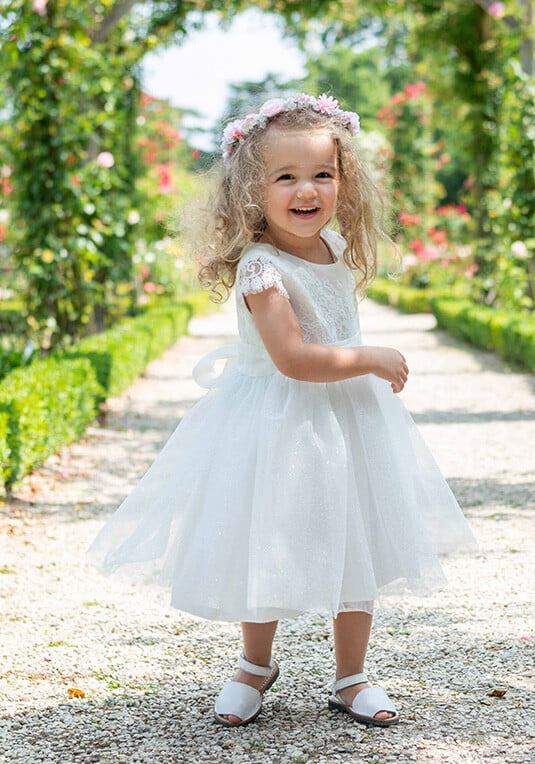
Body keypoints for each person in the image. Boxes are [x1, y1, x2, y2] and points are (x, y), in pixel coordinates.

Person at [89, 93, 477, 729]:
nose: (307, 189)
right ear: (251, 189)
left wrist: (359, 366)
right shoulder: (260, 266)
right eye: (286, 177)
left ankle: (351, 676)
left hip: (348, 419)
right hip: (278, 422)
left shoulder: (333, 246)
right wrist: (371, 357)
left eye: (323, 173)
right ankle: (254, 665)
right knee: (266, 534)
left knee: (356, 536)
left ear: (344, 180)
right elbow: (294, 358)